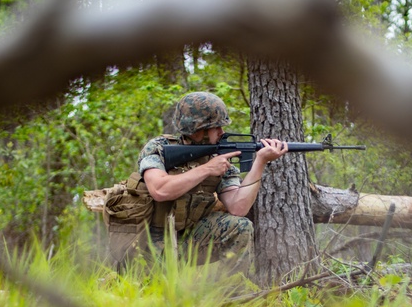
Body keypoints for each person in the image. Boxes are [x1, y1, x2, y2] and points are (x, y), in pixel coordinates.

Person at [104, 91, 287, 272]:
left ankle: (233, 293)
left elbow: (238, 207)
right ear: (198, 129)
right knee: (149, 295)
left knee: (240, 227)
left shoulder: (218, 156)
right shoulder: (159, 148)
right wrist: (207, 169)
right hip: (147, 246)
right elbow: (160, 190)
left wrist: (260, 162)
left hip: (188, 241)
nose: (222, 132)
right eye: (217, 127)